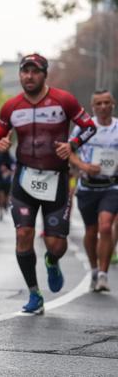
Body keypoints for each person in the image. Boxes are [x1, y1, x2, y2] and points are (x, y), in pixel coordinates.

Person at [0, 53, 96, 314]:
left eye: (35, 71)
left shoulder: (63, 100)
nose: (29, 76)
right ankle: (35, 294)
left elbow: (89, 126)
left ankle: (51, 260)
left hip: (56, 179)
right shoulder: (11, 107)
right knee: (23, 235)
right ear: (20, 75)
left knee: (55, 244)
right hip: (24, 180)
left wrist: (72, 145)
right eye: (25, 71)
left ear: (44, 74)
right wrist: (0, 143)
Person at [68, 90, 118, 292]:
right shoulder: (85, 127)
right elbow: (68, 150)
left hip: (112, 186)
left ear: (113, 104)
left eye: (107, 102)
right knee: (91, 231)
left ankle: (104, 275)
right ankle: (94, 269)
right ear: (93, 107)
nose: (103, 106)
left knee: (106, 227)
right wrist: (84, 166)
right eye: (99, 103)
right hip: (88, 186)